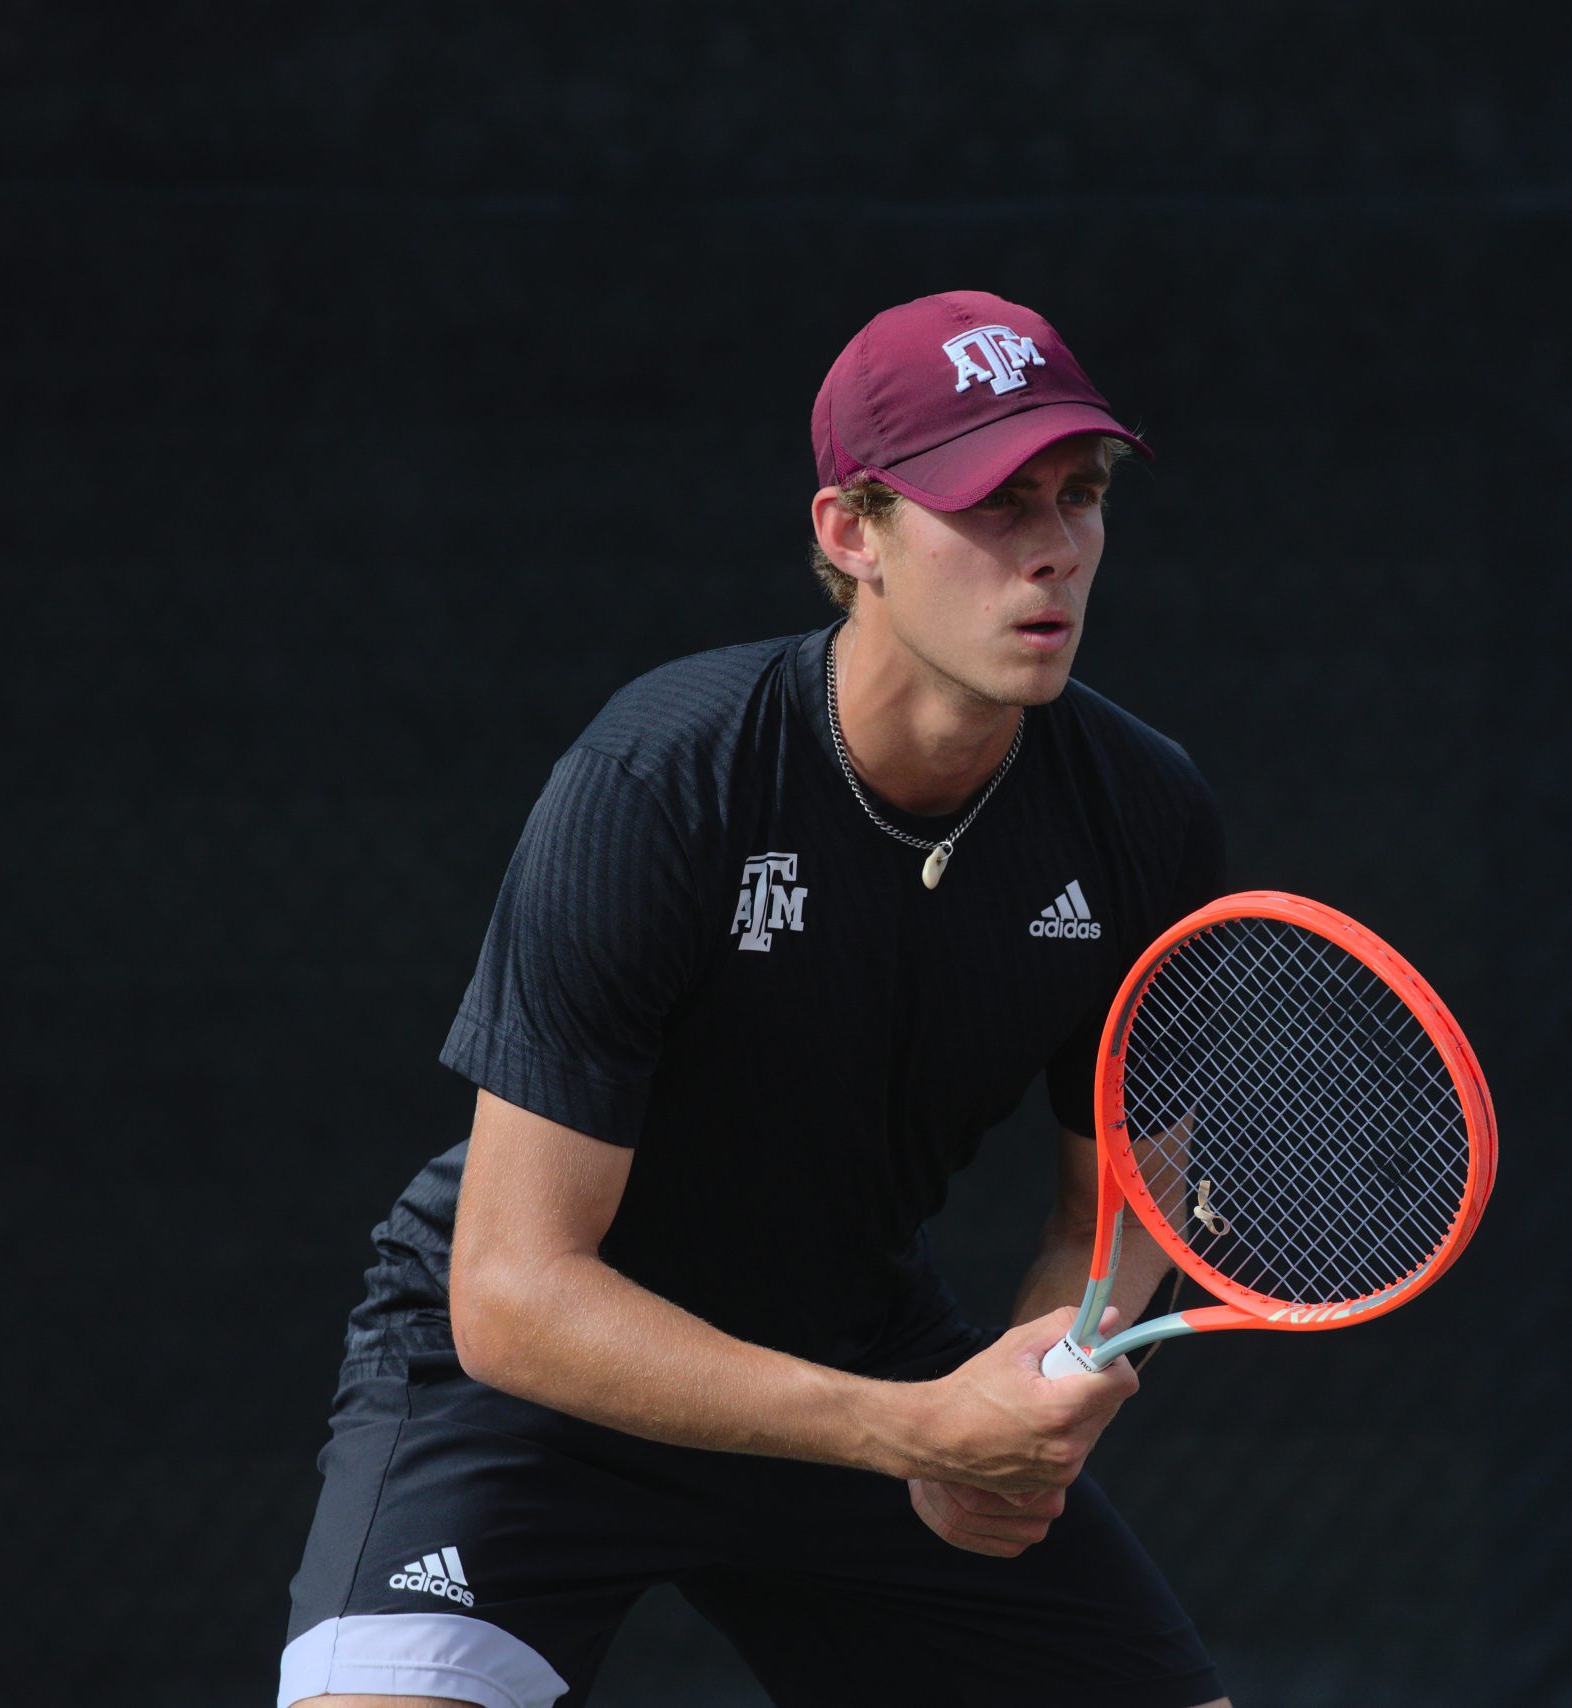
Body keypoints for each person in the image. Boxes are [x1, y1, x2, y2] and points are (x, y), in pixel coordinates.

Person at [278, 290, 1230, 1708]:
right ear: (854, 535)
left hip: (855, 1341)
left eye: (1078, 495)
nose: (1052, 548)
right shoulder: (664, 781)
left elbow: (1124, 1182)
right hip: (530, 1396)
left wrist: (1036, 1392)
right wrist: (914, 1430)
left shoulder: (1140, 810)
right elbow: (512, 1293)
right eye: (990, 502)